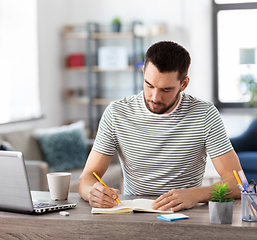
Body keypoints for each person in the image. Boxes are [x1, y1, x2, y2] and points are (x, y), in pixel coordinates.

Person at [78, 41, 242, 212]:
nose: (155, 97)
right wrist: (93, 192)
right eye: (149, 85)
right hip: (133, 215)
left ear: (183, 84)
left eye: (166, 90)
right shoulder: (116, 113)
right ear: (143, 73)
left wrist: (195, 195)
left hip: (185, 217)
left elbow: (237, 182)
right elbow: (86, 178)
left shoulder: (204, 114)